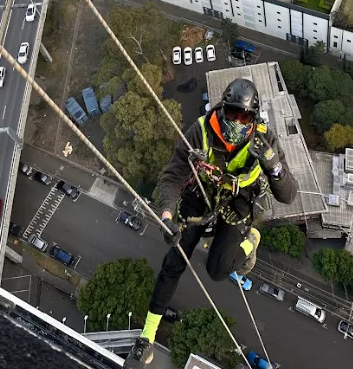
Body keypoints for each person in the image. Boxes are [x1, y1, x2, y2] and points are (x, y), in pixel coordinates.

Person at [125, 78, 297, 369]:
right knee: (174, 259)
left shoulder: (264, 140)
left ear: (253, 118)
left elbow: (289, 195)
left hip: (238, 202)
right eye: (232, 113)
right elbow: (172, 176)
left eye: (244, 117)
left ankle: (250, 239)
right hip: (203, 195)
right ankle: (147, 337)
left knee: (218, 269)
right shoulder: (201, 131)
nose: (237, 122)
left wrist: (272, 164)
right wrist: (167, 216)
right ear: (222, 109)